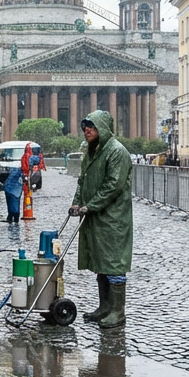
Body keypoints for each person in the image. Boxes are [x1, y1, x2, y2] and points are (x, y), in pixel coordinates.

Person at [69, 110, 133, 329]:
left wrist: (91, 205)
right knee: (101, 262)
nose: (86, 130)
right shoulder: (93, 151)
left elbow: (112, 186)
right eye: (84, 126)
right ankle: (104, 307)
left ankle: (118, 312)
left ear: (102, 129)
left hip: (113, 219)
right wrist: (77, 202)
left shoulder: (117, 152)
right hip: (96, 217)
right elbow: (82, 181)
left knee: (114, 263)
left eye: (91, 126)